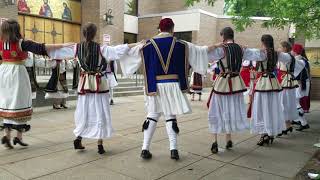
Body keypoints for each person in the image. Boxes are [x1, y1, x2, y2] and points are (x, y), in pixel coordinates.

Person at [119, 18, 216, 160]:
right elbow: (201, 51)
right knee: (170, 116)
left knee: (152, 116)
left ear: (159, 29)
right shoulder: (181, 44)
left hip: (155, 86)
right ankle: (173, 150)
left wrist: (133, 45)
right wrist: (215, 45)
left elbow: (128, 53)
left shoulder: (147, 44)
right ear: (172, 29)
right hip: (172, 85)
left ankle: (145, 148)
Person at [47, 22, 140, 154]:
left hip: (85, 83)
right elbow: (120, 49)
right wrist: (137, 44)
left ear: (84, 34)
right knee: (100, 111)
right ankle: (99, 144)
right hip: (98, 83)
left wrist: (50, 46)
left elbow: (56, 52)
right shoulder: (102, 49)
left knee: (84, 111)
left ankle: (78, 138)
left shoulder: (76, 48)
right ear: (95, 34)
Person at [0, 19, 64, 149]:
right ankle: (18, 136)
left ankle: (7, 135)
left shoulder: (1, 43)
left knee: (6, 103)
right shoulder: (21, 43)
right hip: (17, 73)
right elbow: (41, 48)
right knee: (21, 102)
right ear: (16, 30)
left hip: (3, 72)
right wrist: (61, 46)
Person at [250, 35, 292, 146]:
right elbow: (289, 58)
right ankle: (270, 133)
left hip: (264, 82)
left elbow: (248, 52)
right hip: (273, 82)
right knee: (272, 107)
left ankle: (265, 134)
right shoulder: (277, 53)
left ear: (263, 42)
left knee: (262, 108)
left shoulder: (262, 53)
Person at [276, 41, 304, 136]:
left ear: (284, 48)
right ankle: (287, 126)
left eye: (280, 47)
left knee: (283, 103)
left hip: (285, 82)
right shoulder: (288, 57)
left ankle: (285, 126)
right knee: (285, 103)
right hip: (285, 81)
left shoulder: (287, 57)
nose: (279, 48)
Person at [291, 44, 311, 131]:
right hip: (303, 83)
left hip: (299, 84)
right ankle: (297, 119)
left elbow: (295, 73)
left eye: (292, 50)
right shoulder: (304, 59)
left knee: (296, 103)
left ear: (295, 51)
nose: (291, 51)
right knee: (296, 102)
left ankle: (303, 122)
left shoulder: (297, 59)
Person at [300, 48, 311, 113]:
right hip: (307, 80)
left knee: (302, 94)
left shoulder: (302, 61)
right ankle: (305, 108)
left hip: (303, 80)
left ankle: (303, 108)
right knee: (305, 94)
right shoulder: (307, 61)